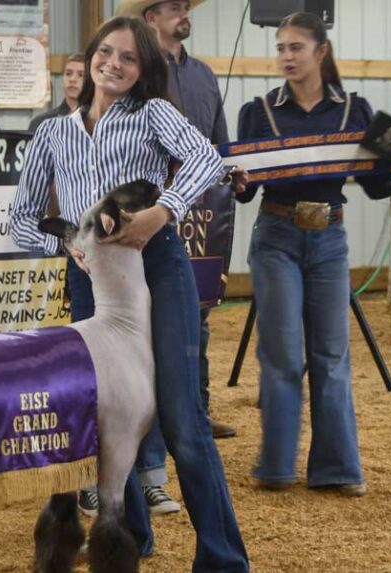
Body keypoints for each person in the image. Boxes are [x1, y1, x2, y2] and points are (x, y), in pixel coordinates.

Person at [11, 16, 249, 572]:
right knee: (109, 411)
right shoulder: (52, 132)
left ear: (142, 70)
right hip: (89, 276)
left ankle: (222, 559)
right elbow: (21, 220)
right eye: (106, 53)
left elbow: (206, 157)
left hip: (157, 267)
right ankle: (128, 538)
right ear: (91, 56)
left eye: (128, 58)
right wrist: (66, 243)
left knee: (181, 416)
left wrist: (162, 211)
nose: (113, 64)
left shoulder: (154, 114)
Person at [236, 12, 391, 497]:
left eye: (296, 47)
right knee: (280, 354)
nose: (286, 57)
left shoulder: (356, 111)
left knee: (332, 355)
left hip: (329, 240)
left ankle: (337, 468)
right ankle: (276, 467)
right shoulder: (257, 111)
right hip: (276, 235)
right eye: (281, 48)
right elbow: (243, 191)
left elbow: (376, 185)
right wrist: (232, 176)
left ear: (321, 52)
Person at [111, 0, 238, 520]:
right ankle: (147, 471)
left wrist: (235, 174)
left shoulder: (206, 76)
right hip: (143, 225)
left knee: (191, 335)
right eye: (171, 6)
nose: (183, 12)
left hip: (196, 220)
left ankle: (191, 424)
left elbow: (218, 149)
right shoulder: (132, 78)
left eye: (185, 5)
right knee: (132, 353)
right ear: (149, 18)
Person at [28, 53, 84, 132]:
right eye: (68, 74)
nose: (72, 79)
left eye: (81, 75)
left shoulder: (100, 122)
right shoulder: (41, 123)